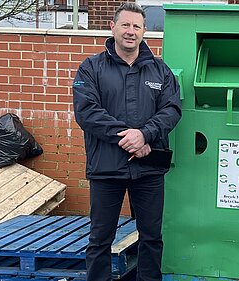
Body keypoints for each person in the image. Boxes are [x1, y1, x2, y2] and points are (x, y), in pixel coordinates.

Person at [72, 3, 182, 281]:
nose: (130, 32)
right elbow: (87, 112)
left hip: (148, 170)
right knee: (100, 240)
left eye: (136, 26)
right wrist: (131, 137)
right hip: (106, 169)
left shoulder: (160, 71)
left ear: (145, 31)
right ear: (113, 27)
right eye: (125, 25)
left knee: (151, 238)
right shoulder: (91, 68)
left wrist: (145, 134)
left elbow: (171, 110)